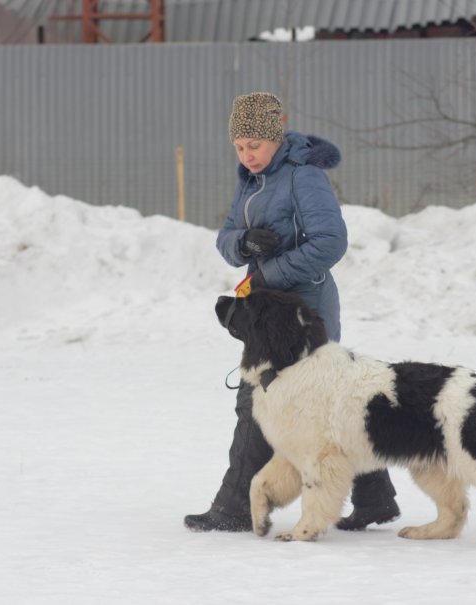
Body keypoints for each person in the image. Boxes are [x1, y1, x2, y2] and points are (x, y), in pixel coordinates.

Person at [184, 92, 400, 533]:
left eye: (255, 146)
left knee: (258, 400)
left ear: (275, 138)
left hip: (304, 312)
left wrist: (271, 273)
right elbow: (225, 235)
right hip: (270, 309)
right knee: (332, 406)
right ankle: (376, 499)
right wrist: (244, 245)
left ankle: (234, 508)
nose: (247, 156)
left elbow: (331, 242)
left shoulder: (305, 176)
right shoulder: (250, 179)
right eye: (239, 147)